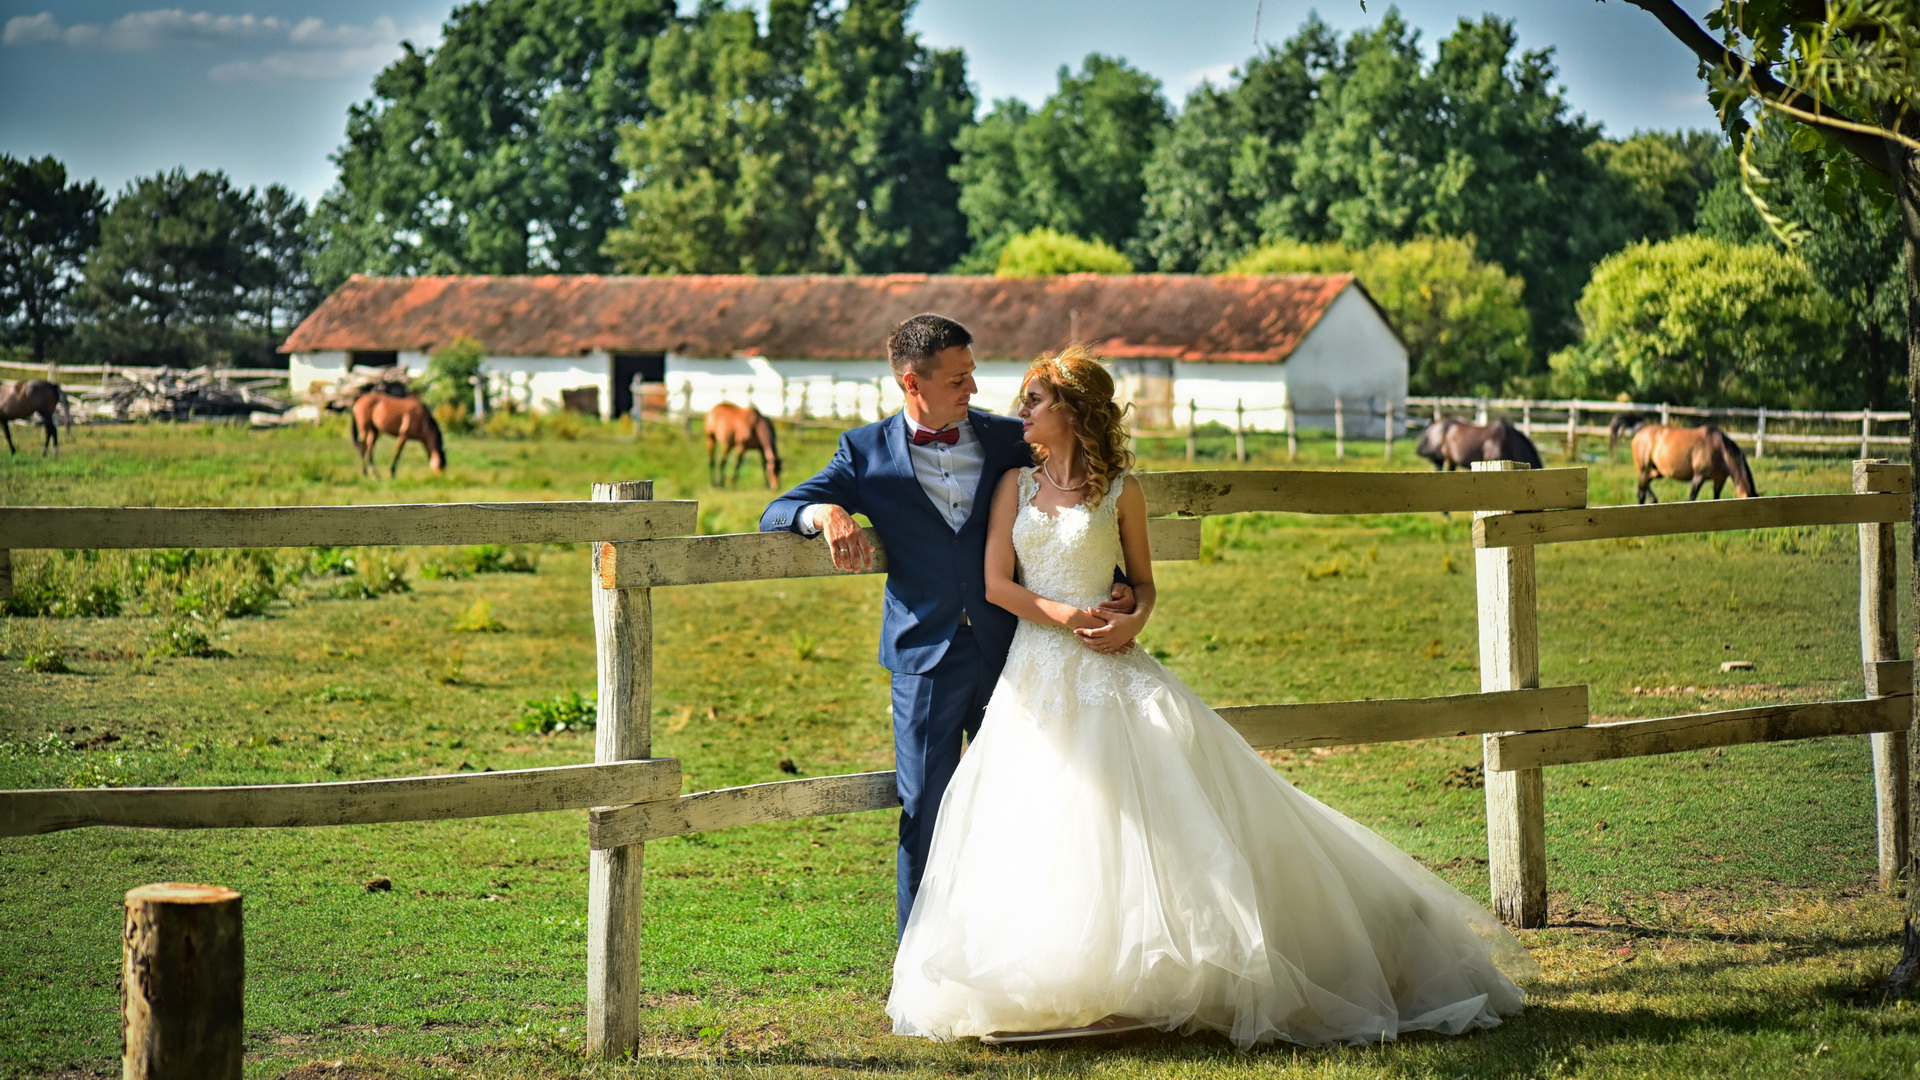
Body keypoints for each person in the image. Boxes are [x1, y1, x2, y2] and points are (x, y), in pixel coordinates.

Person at [886, 345, 1537, 1048]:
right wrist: (1068, 616)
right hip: (1037, 669)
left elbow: (1144, 581)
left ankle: (1145, 982)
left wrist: (1132, 617)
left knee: (1151, 817)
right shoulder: (1014, 484)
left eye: (1035, 401)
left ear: (1073, 410)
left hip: (1114, 666)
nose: (1022, 413)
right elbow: (996, 585)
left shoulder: (1120, 491)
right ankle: (1050, 982)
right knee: (1044, 818)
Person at [761, 315, 1132, 935]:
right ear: (913, 382)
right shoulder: (864, 451)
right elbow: (779, 509)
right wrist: (827, 512)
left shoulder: (1010, 439)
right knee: (924, 808)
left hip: (1015, 650)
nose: (974, 390)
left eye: (973, 374)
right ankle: (921, 960)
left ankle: (1020, 945)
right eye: (959, 379)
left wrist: (1114, 579)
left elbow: (1071, 506)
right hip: (923, 658)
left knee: (1023, 798)